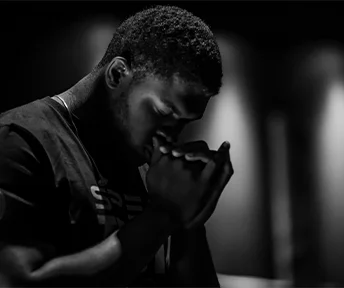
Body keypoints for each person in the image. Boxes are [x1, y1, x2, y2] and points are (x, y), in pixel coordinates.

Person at [0, 5, 233, 287]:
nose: (171, 137)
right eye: (162, 114)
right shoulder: (20, 139)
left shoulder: (148, 165)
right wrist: (163, 214)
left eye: (184, 123)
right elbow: (18, 281)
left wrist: (189, 218)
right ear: (118, 74)